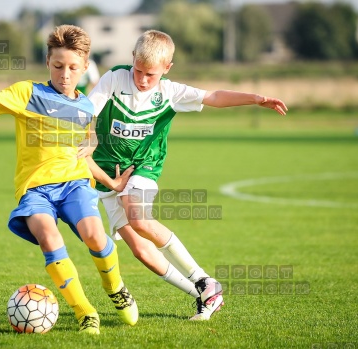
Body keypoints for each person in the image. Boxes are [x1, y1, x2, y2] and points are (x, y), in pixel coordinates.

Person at [0, 25, 138, 335]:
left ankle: (115, 287)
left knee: (94, 235)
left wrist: (113, 183)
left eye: (73, 67)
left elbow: (84, 154)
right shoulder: (29, 93)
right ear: (48, 62)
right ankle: (85, 312)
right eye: (58, 65)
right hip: (35, 190)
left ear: (85, 67)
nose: (65, 73)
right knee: (49, 238)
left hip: (75, 184)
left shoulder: (87, 108)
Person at [84, 30, 288, 321]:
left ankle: (204, 280)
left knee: (138, 217)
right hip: (106, 170)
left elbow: (214, 96)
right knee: (141, 251)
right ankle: (204, 294)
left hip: (144, 166)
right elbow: (88, 110)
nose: (142, 79)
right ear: (132, 60)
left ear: (167, 69)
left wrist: (255, 99)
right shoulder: (114, 78)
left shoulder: (169, 92)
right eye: (138, 71)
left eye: (150, 75)